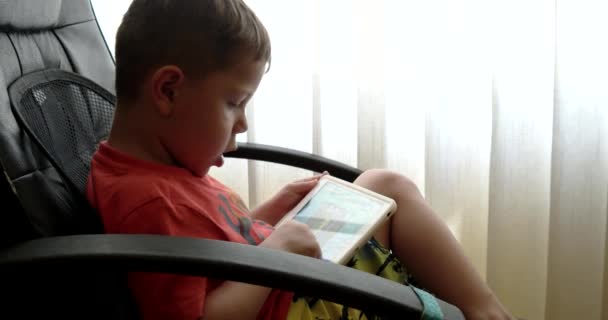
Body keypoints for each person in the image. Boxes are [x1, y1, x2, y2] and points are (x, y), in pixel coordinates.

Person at [86, 0, 514, 319]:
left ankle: (485, 311)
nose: (242, 125)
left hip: (280, 275)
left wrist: (267, 216)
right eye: (234, 102)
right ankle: (484, 313)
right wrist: (277, 252)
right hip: (294, 304)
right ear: (168, 91)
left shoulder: (160, 171)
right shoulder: (149, 200)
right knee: (389, 191)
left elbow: (203, 249)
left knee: (383, 186)